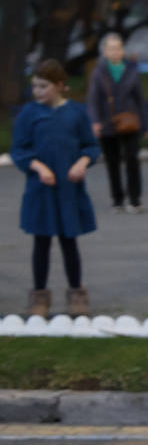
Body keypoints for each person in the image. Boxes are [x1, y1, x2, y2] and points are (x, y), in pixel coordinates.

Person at [10, 58, 99, 318]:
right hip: (41, 190)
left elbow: (91, 147)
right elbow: (19, 150)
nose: (37, 92)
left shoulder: (76, 113)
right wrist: (38, 167)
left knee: (69, 241)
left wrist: (82, 163)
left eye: (43, 86)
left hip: (69, 190)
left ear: (60, 85)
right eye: (35, 87)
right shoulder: (29, 114)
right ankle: (39, 296)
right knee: (41, 242)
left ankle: (76, 293)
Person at [86, 32, 148, 213]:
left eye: (118, 48)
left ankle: (135, 199)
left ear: (123, 50)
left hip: (129, 121)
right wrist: (95, 121)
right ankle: (117, 199)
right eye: (111, 48)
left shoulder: (132, 70)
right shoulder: (99, 72)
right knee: (112, 162)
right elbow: (93, 100)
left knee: (132, 159)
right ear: (104, 51)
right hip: (107, 122)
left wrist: (145, 124)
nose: (115, 52)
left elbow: (140, 99)